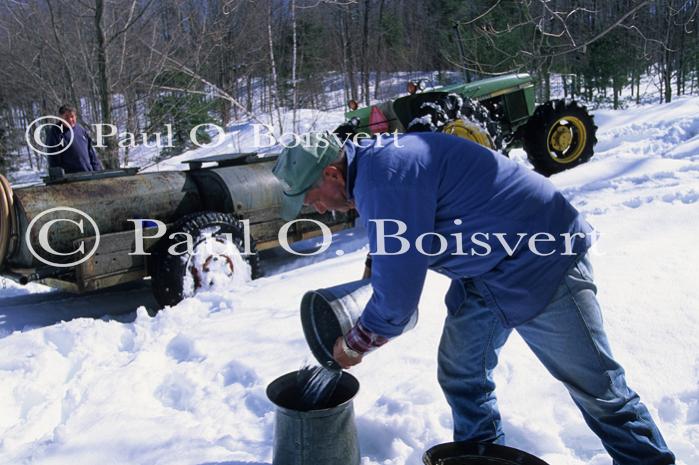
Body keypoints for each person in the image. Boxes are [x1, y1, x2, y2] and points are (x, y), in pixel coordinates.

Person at [272, 131, 676, 465]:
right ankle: (483, 458)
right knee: (462, 373)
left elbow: (397, 301)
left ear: (330, 173)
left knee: (600, 392)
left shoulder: (385, 175)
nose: (319, 209)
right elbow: (410, 218)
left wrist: (354, 345)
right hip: (489, 271)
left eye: (311, 198)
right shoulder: (377, 166)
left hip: (542, 261)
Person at [45, 104, 102, 173]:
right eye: (66, 117)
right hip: (71, 178)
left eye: (72, 116)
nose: (70, 120)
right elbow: (53, 159)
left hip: (89, 174)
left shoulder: (80, 129)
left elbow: (91, 153)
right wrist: (58, 178)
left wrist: (97, 171)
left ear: (76, 116)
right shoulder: (55, 132)